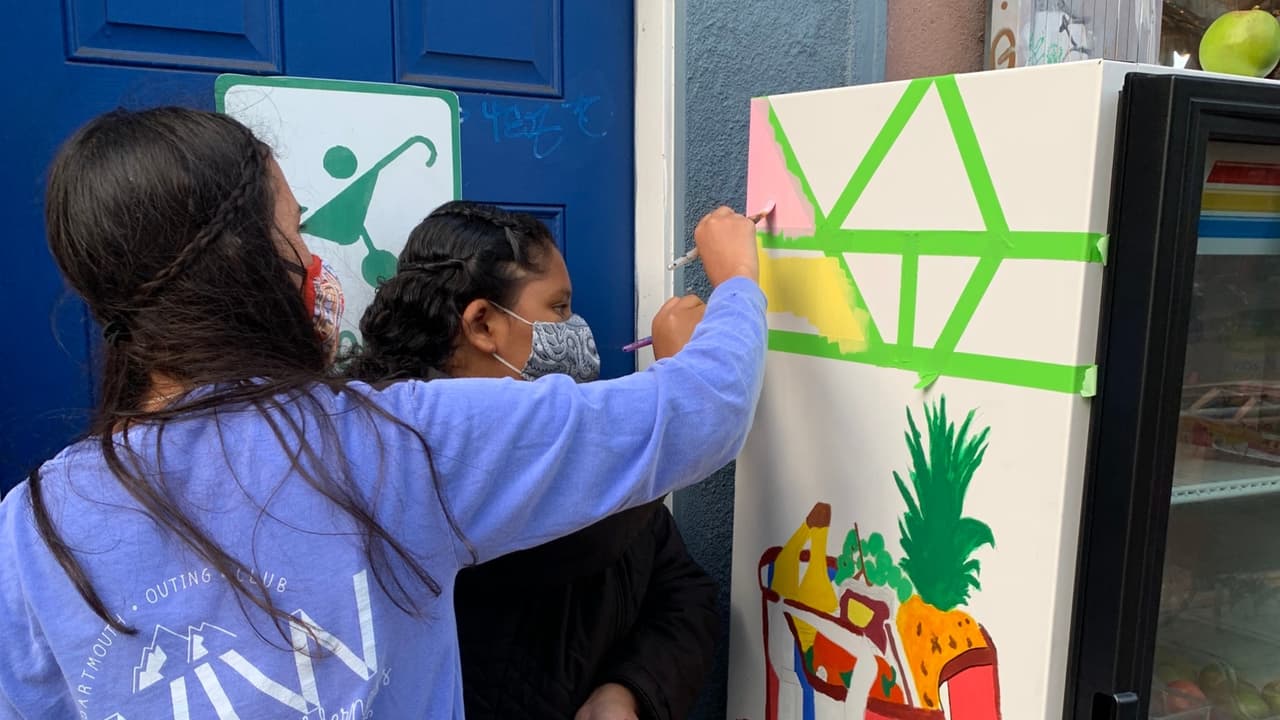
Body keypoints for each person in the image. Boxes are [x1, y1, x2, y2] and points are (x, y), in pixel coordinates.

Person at [0, 107, 766, 719]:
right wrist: (738, 285)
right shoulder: (392, 444)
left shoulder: (32, 526)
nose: (313, 258)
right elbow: (703, 410)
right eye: (295, 228)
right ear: (245, 259)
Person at [344, 202, 719, 720]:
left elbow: (682, 588)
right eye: (560, 309)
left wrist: (631, 689)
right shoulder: (402, 457)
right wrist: (681, 386)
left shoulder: (584, 442)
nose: (577, 327)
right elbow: (571, 542)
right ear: (482, 324)